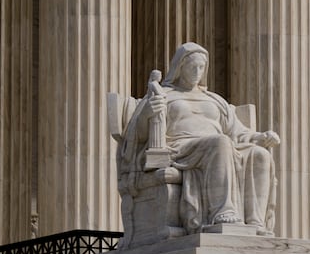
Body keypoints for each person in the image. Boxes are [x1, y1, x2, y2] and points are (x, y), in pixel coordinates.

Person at [119, 42, 279, 236]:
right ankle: (222, 212)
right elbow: (136, 135)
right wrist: (147, 113)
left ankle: (255, 222)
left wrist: (260, 137)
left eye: (201, 67)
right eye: (192, 67)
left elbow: (237, 132)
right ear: (180, 67)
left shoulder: (215, 100)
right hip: (179, 148)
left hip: (219, 147)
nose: (197, 72)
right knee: (221, 143)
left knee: (260, 154)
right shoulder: (163, 94)